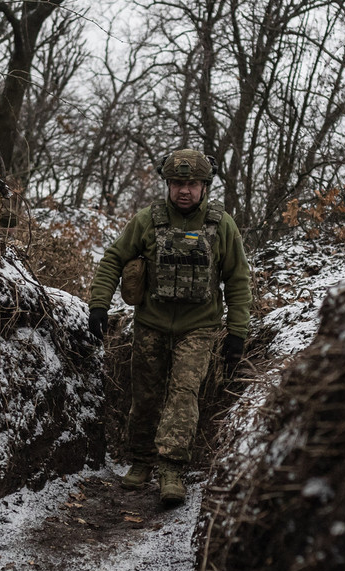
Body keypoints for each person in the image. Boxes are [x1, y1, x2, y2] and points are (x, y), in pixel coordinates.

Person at [87, 148, 252, 505]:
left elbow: (238, 279)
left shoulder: (222, 224)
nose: (184, 190)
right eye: (177, 183)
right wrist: (99, 304)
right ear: (168, 184)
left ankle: (172, 469)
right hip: (151, 323)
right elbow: (114, 258)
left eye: (192, 183)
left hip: (200, 326)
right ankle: (141, 461)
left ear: (205, 186)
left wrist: (237, 332)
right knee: (145, 395)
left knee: (183, 393)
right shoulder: (148, 219)